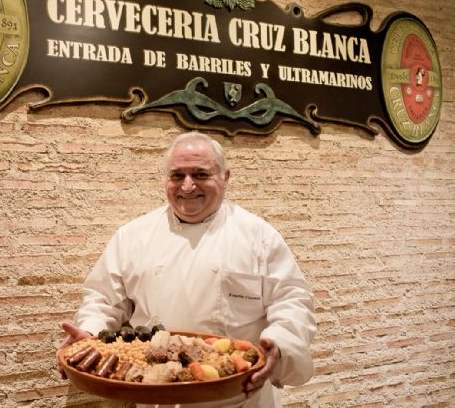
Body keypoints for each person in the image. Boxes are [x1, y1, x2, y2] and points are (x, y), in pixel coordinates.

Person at [57, 132, 316, 407]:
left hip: (237, 395)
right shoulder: (133, 236)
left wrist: (279, 342)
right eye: (177, 176)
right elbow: (103, 300)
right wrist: (89, 332)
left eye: (201, 174)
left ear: (226, 177)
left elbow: (293, 301)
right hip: (155, 392)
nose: (188, 186)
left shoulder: (258, 236)